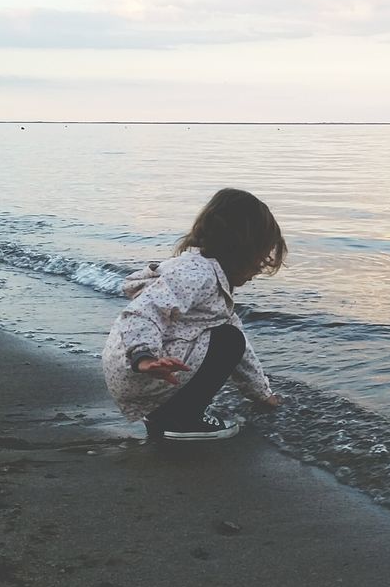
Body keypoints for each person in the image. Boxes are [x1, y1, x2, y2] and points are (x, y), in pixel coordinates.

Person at [101, 188, 286, 440]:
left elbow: (243, 352)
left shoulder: (211, 280)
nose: (258, 268)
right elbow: (141, 313)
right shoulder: (197, 274)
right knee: (228, 340)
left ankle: (167, 412)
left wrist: (262, 394)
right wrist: (145, 357)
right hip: (141, 367)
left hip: (136, 370)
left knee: (231, 336)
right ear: (241, 248)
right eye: (260, 257)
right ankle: (183, 419)